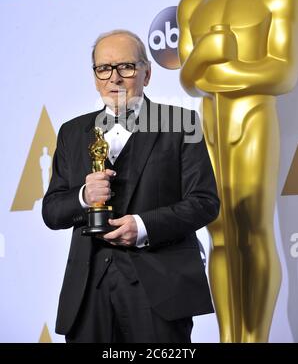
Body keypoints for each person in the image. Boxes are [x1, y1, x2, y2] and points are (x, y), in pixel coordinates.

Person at [42, 29, 219, 343]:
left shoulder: (182, 123)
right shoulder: (72, 132)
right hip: (87, 295)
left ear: (147, 74)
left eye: (126, 67)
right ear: (95, 76)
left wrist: (142, 226)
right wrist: (83, 197)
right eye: (104, 69)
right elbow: (53, 211)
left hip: (161, 292)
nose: (115, 78)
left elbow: (204, 202)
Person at [177, 0, 298, 342]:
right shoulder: (193, 2)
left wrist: (215, 68)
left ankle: (257, 337)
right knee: (219, 232)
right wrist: (207, 55)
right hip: (208, 124)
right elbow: (190, 80)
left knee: (252, 224)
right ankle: (231, 337)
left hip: (253, 119)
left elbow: (282, 73)